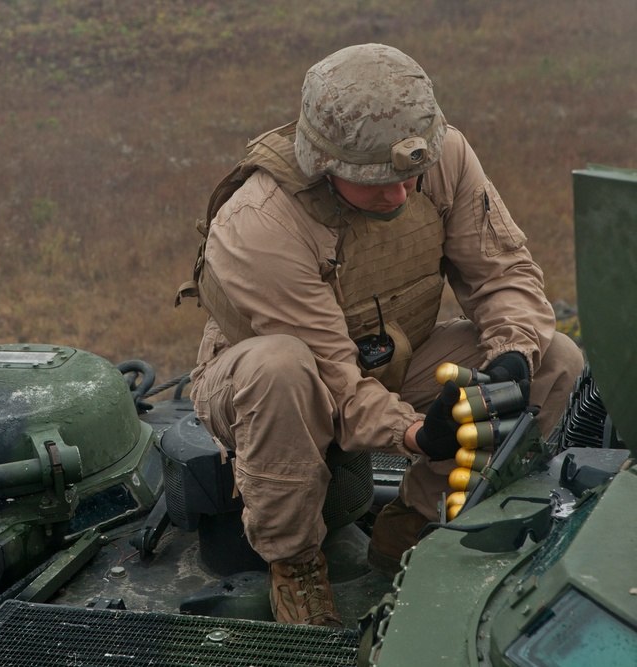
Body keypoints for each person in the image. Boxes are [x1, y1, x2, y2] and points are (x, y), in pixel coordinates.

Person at [175, 43, 584, 626]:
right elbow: (335, 378)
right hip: (276, 388)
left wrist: (512, 356)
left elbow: (504, 272)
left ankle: (416, 521)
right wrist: (417, 433)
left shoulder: (443, 158)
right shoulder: (259, 222)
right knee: (279, 368)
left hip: (394, 353)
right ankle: (296, 565)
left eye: (410, 177)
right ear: (324, 165)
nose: (399, 196)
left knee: (554, 359)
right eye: (375, 183)